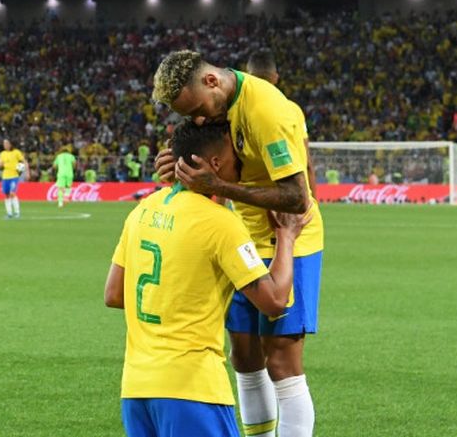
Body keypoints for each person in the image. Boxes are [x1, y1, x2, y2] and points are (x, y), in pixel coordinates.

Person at [152, 50, 323, 437]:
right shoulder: (214, 109)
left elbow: (298, 198)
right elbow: (210, 161)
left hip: (290, 235)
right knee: (244, 357)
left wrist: (220, 187)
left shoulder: (266, 111)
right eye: (187, 115)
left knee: (281, 360)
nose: (198, 119)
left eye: (196, 108)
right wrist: (178, 165)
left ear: (212, 82)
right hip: (240, 237)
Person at [104, 120, 309, 437]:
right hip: (192, 389)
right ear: (215, 163)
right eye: (234, 156)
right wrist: (286, 236)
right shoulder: (220, 224)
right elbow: (274, 301)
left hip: (136, 390)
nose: (240, 162)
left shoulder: (142, 211)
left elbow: (114, 293)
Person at [247, 50, 318, 198]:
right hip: (297, 205)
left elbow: (229, 167)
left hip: (253, 208)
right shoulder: (293, 110)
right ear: (276, 78)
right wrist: (315, 205)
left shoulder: (239, 112)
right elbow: (307, 164)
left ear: (248, 76)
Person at [0, 139, 28, 219]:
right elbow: (0, 166)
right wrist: (0, 165)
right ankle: (9, 213)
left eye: (7, 143)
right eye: (4, 143)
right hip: (5, 177)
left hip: (14, 176)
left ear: (11, 144)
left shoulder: (16, 152)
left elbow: (24, 161)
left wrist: (26, 172)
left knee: (12, 193)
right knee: (7, 195)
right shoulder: (2, 154)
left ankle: (17, 213)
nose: (5, 145)